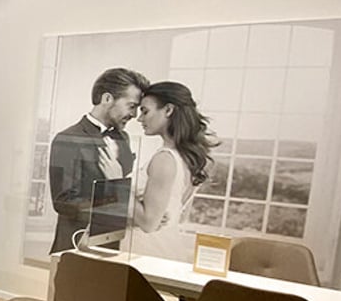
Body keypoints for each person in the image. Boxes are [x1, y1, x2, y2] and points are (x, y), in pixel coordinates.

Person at [48, 67, 149, 253]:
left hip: (116, 245)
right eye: (131, 106)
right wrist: (117, 197)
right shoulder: (68, 138)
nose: (135, 115)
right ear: (107, 99)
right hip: (76, 246)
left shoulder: (124, 138)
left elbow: (124, 184)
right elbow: (63, 203)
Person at [124, 81, 216, 260]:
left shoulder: (165, 159)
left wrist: (120, 189)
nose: (139, 119)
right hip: (166, 247)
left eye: (145, 111)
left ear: (168, 110)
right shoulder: (185, 157)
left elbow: (149, 223)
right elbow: (174, 215)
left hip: (146, 253)